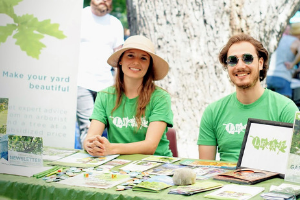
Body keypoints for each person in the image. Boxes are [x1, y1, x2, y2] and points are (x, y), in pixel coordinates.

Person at [197, 33, 298, 162]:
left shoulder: (286, 109)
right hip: (225, 181)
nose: (240, 66)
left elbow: (296, 167)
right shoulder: (212, 111)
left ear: (260, 63)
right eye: (233, 60)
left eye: (248, 58)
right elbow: (205, 167)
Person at [83, 35, 173, 157]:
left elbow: (150, 146)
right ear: (120, 60)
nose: (136, 62)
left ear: (149, 65)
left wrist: (111, 148)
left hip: (156, 166)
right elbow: (90, 138)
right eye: (130, 55)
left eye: (143, 58)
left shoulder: (160, 97)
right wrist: (91, 146)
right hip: (117, 166)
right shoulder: (105, 96)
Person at [76, 0, 124, 148]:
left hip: (106, 85)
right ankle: (88, 162)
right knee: (88, 127)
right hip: (81, 82)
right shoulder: (79, 16)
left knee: (110, 127)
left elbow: (119, 57)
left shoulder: (115, 23)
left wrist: (119, 84)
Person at [266, 22, 300, 98]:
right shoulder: (296, 42)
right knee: (283, 108)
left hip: (268, 76)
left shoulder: (279, 39)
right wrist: (293, 64)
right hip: (283, 77)